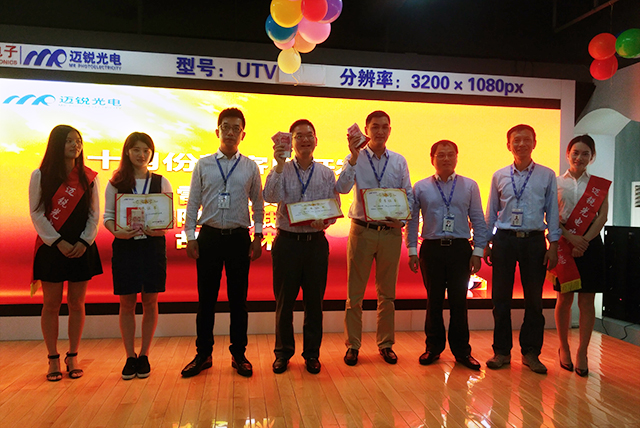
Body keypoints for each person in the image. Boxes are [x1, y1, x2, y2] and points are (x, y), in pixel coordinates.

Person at [181, 108, 264, 378]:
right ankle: (203, 354)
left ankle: (239, 354)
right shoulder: (203, 165)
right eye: (226, 127)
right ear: (217, 131)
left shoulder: (250, 167)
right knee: (206, 299)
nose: (230, 132)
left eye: (236, 128)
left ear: (243, 134)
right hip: (209, 237)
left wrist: (258, 236)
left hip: (239, 238)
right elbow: (192, 202)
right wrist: (190, 236)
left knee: (238, 300)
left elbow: (259, 204)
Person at [336, 110, 413, 366]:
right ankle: (353, 345)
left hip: (391, 233)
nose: (380, 131)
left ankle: (386, 344)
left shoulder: (399, 161)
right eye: (375, 127)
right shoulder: (354, 157)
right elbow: (342, 188)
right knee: (354, 294)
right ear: (367, 130)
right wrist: (353, 158)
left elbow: (407, 194)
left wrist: (402, 221)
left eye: (384, 127)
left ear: (390, 130)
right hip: (362, 230)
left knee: (387, 294)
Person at [263, 119, 340, 374]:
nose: (305, 140)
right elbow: (270, 196)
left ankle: (312, 354)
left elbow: (334, 206)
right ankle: (283, 353)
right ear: (291, 142)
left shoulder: (326, 173)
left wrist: (325, 221)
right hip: (287, 243)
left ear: (316, 140)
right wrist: (278, 164)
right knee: (284, 302)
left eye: (309, 135)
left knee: (314, 304)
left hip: (315, 244)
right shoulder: (281, 169)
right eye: (299, 136)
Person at [483, 124, 561, 374]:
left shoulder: (547, 175)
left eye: (526, 140)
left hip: (534, 241)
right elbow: (491, 212)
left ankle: (531, 353)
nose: (521, 144)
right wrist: (485, 243)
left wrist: (554, 245)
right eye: (516, 140)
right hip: (504, 240)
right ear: (509, 145)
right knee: (500, 299)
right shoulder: (499, 175)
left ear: (534, 144)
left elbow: (553, 212)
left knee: (534, 301)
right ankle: (501, 352)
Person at [28, 125, 102, 381]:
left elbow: (94, 214)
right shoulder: (41, 175)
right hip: (52, 248)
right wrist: (57, 241)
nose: (75, 145)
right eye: (69, 140)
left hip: (81, 247)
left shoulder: (88, 177)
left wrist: (85, 241)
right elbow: (37, 213)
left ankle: (73, 355)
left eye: (78, 141)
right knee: (51, 304)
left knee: (77, 304)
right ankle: (52, 358)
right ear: (57, 143)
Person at [407, 140, 488, 370]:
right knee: (433, 300)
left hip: (460, 249)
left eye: (450, 154)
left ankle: (462, 351)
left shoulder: (470, 186)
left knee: (458, 302)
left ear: (456, 157)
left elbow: (478, 220)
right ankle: (433, 348)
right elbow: (412, 222)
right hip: (431, 249)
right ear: (432, 159)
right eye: (440, 155)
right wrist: (412, 250)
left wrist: (478, 251)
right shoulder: (420, 187)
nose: (446, 159)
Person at [104, 132, 172, 380]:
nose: (142, 155)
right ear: (127, 151)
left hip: (153, 247)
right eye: (136, 150)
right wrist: (117, 232)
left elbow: (168, 218)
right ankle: (129, 356)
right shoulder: (116, 183)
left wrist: (161, 228)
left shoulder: (161, 181)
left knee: (151, 301)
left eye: (146, 150)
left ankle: (144, 354)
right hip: (126, 247)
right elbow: (108, 217)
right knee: (127, 303)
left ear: (151, 154)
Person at [550, 135, 610, 377]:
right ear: (568, 154)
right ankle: (563, 347)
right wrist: (571, 238)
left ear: (591, 157)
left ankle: (582, 352)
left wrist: (584, 241)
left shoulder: (598, 185)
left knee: (586, 301)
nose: (579, 157)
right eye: (575, 152)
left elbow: (602, 216)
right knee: (564, 299)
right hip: (564, 244)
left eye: (585, 153)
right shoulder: (555, 183)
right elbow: (551, 216)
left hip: (591, 245)